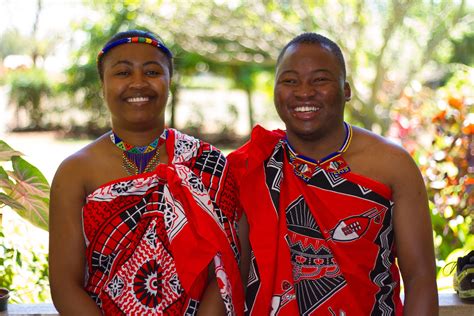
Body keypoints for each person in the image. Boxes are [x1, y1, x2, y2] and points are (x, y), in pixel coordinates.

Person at [228, 33, 438, 315]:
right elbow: (233, 279)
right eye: (290, 80)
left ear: (346, 89)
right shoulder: (249, 167)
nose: (304, 92)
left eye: (320, 80)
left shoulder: (393, 165)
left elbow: (420, 277)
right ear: (276, 90)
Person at [49, 29, 243, 315]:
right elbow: (65, 285)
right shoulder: (75, 172)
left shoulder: (207, 163)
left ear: (169, 82)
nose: (138, 83)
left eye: (152, 71)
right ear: (103, 85)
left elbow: (225, 269)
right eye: (123, 73)